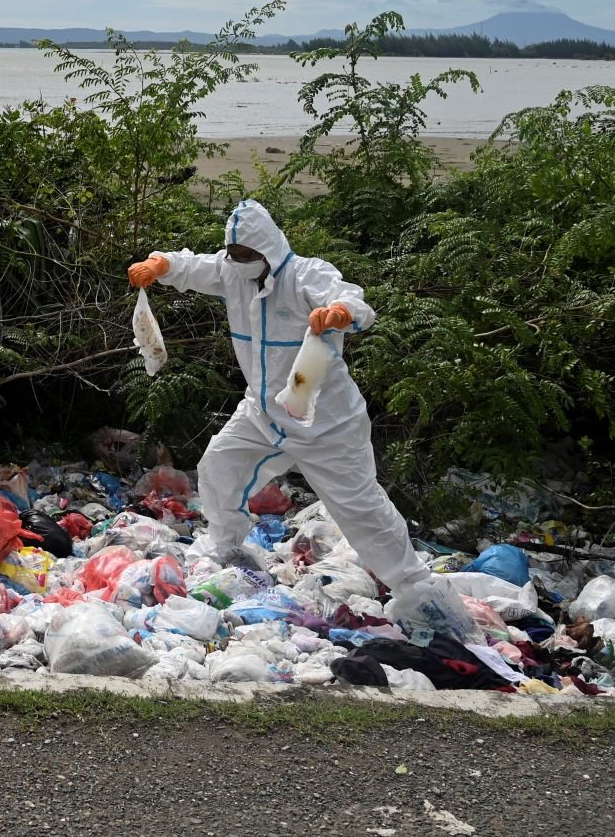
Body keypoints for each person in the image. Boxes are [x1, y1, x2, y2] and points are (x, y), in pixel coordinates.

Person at [129, 198, 475, 639]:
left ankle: (415, 589)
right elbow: (193, 266)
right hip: (264, 410)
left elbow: (350, 297)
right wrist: (159, 265)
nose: (240, 262)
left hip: (326, 422)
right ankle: (228, 549)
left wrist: (340, 314)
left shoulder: (304, 275)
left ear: (268, 250)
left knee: (361, 506)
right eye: (235, 254)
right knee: (218, 465)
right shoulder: (233, 273)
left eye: (248, 255)